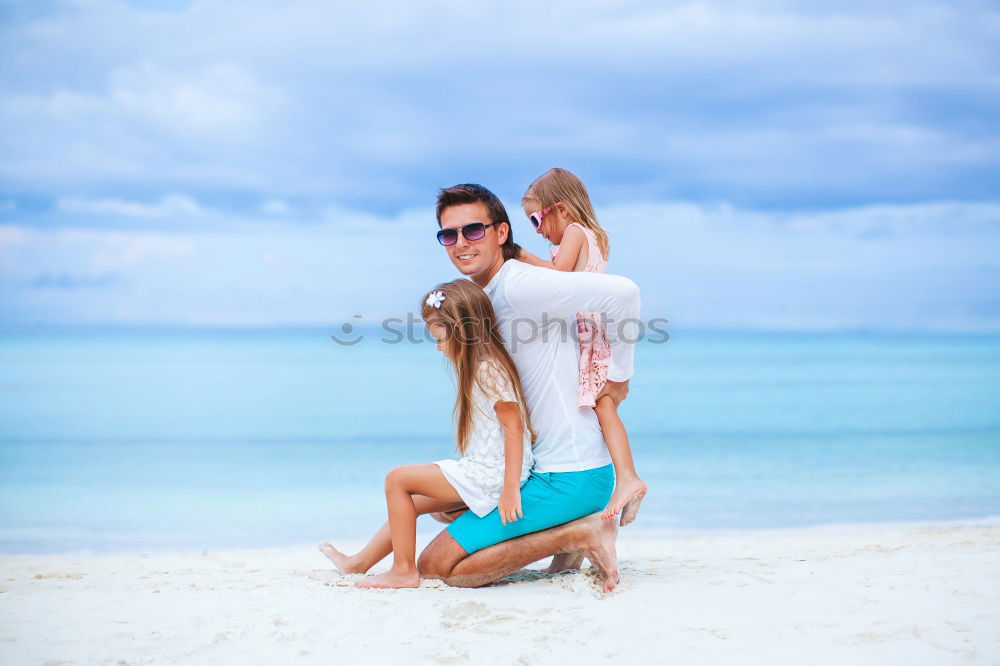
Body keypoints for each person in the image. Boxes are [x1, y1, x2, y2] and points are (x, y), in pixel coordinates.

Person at [417, 183, 641, 592]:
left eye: (473, 231)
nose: (461, 243)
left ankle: (578, 534)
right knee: (444, 508)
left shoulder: (522, 285)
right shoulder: (488, 294)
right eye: (449, 235)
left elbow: (625, 294)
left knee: (436, 566)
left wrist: (618, 378)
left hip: (570, 475)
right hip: (544, 470)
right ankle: (571, 530)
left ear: (501, 233)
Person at [318, 279, 535, 588]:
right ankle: (358, 563)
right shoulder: (482, 366)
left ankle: (403, 570)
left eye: (440, 338)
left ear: (462, 331)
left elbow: (514, 427)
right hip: (489, 470)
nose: (438, 347)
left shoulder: (489, 369)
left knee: (397, 479)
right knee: (413, 502)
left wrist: (510, 488)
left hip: (494, 474)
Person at [517, 168, 648, 526]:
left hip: (589, 332)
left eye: (535, 219)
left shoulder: (574, 232)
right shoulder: (596, 235)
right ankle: (621, 480)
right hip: (595, 330)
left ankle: (627, 477)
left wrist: (522, 257)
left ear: (559, 208)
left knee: (603, 405)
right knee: (600, 407)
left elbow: (558, 274)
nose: (539, 230)